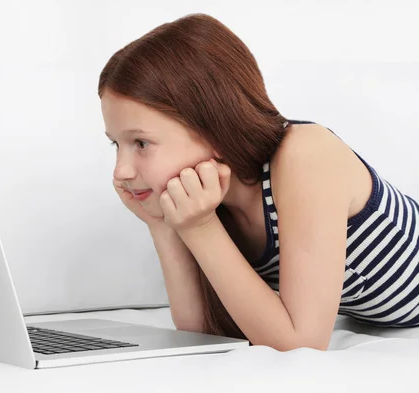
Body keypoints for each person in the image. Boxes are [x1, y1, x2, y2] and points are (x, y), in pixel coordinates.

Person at [98, 13, 419, 351]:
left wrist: (200, 228)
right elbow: (197, 329)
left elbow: (303, 344)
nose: (121, 170)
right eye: (115, 144)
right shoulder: (209, 199)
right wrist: (161, 222)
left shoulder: (306, 155)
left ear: (213, 128)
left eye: (141, 144)